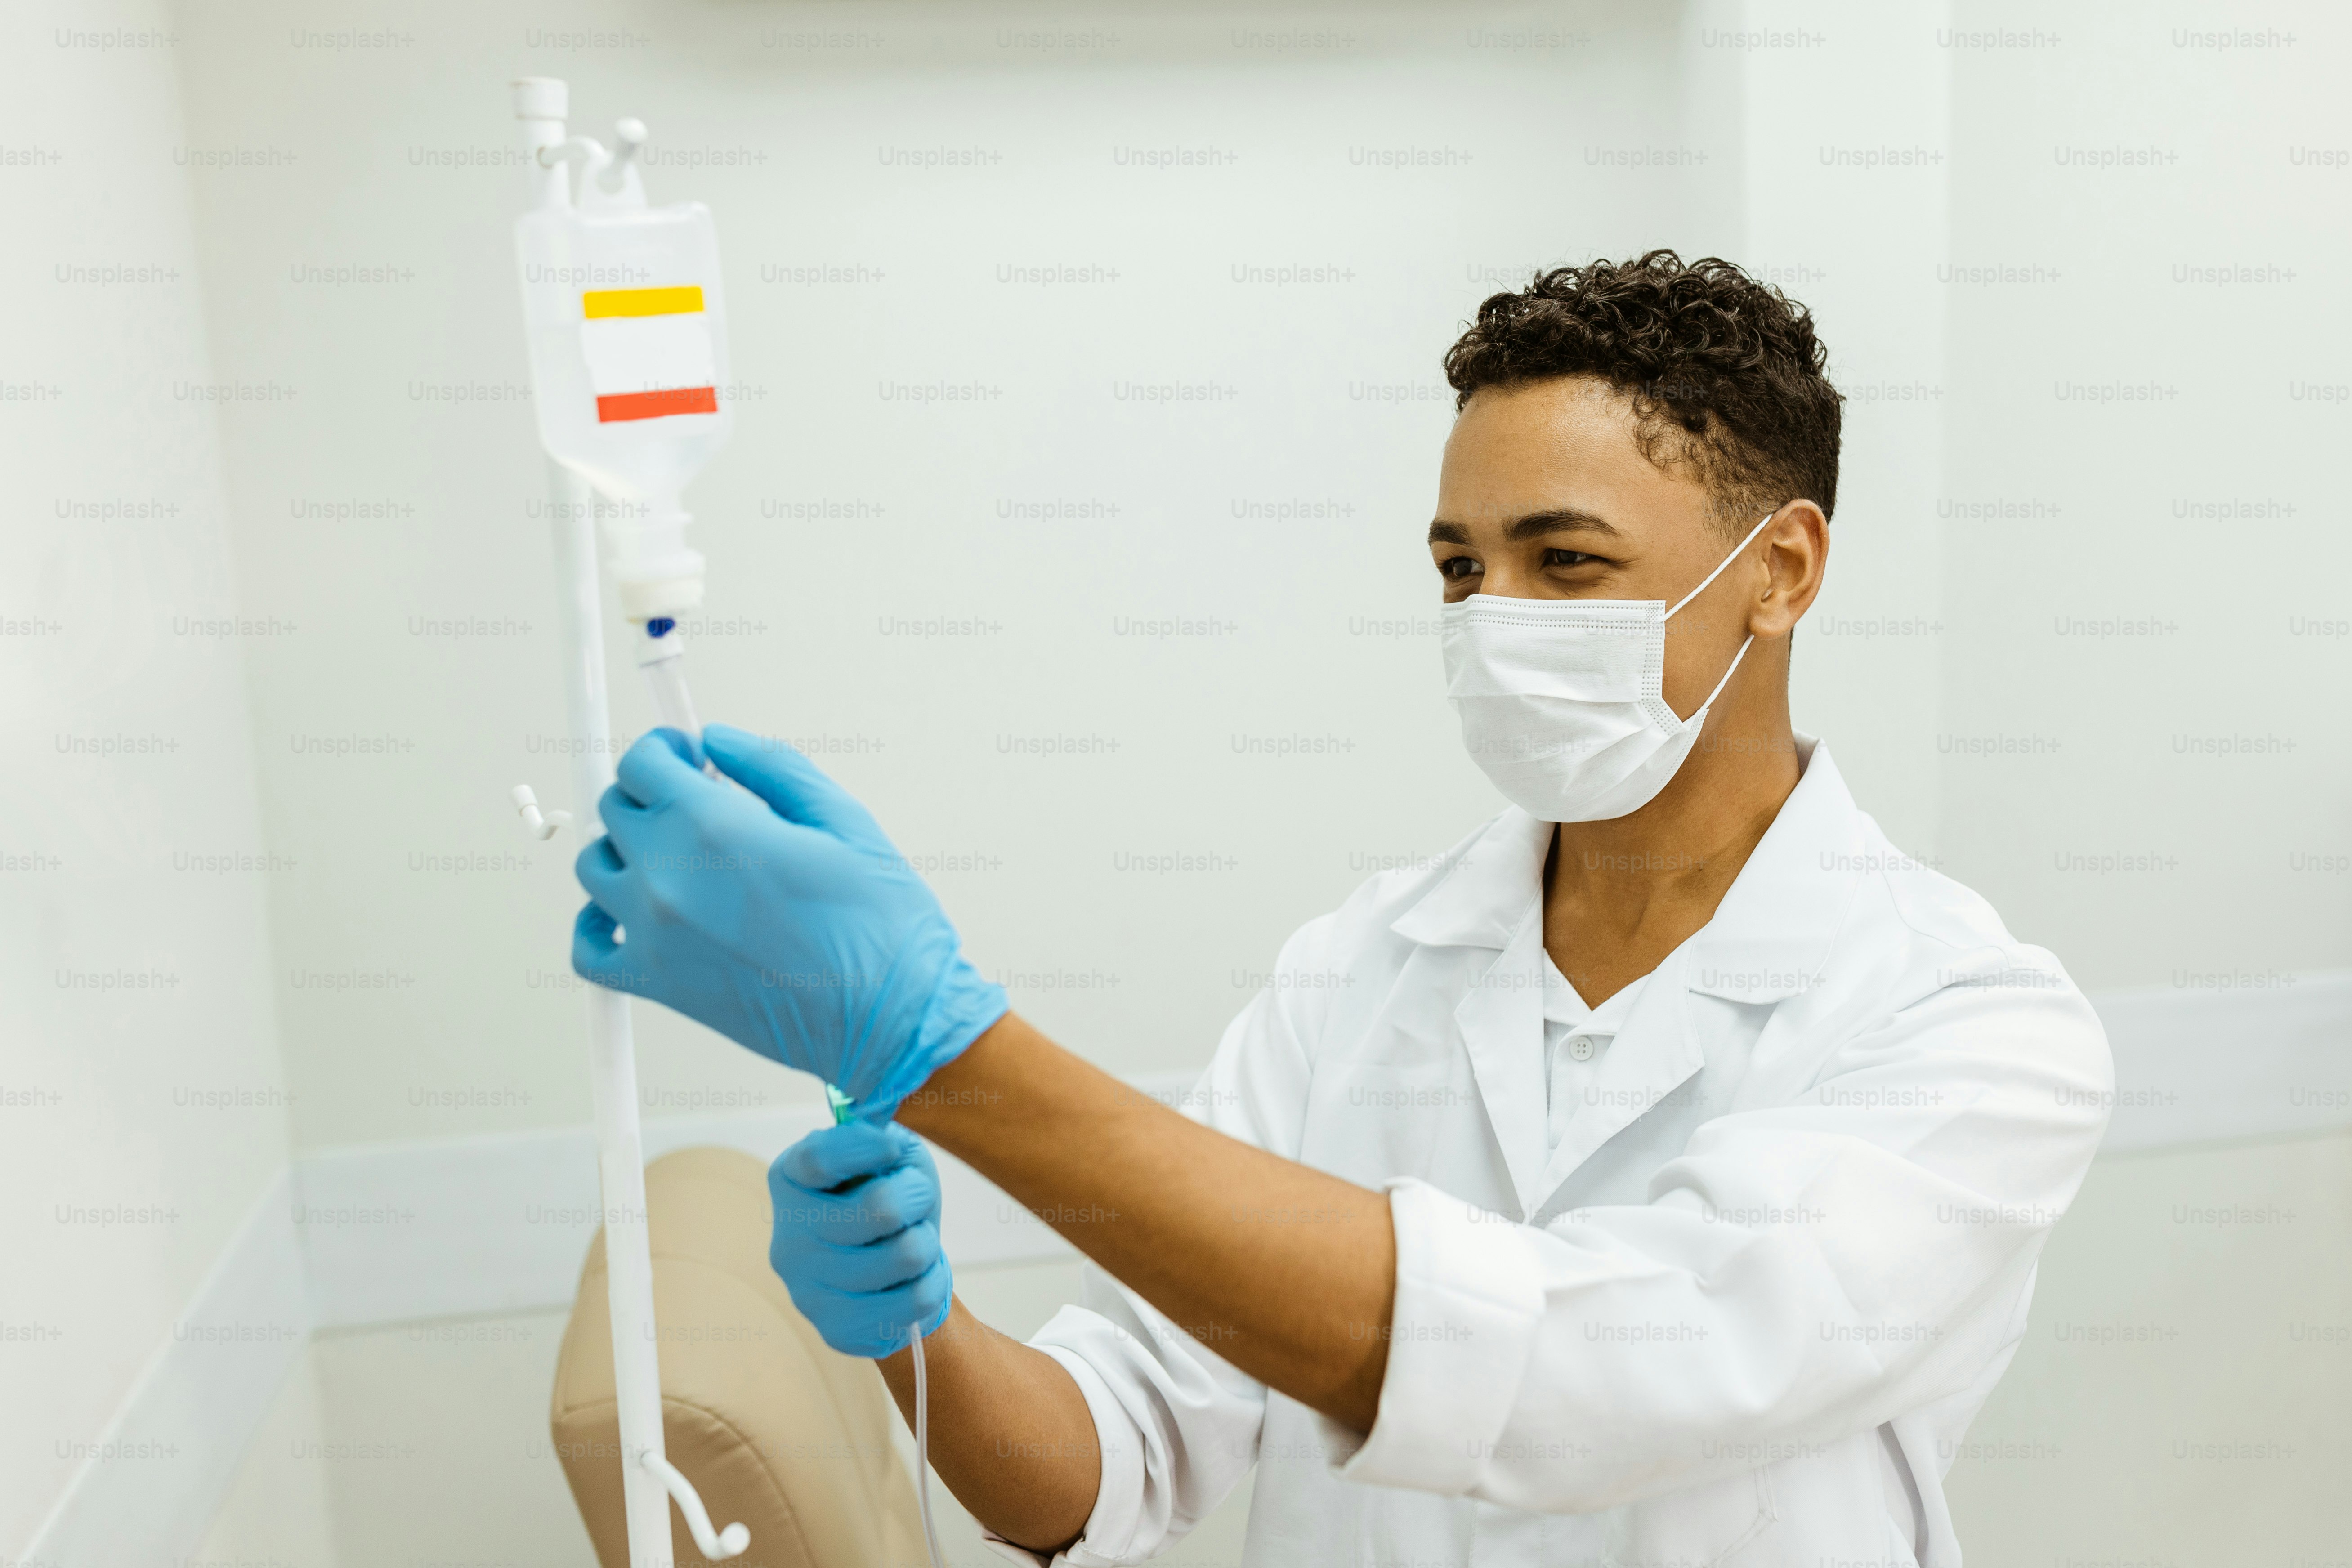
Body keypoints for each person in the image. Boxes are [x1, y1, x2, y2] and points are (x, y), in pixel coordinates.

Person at [572, 251, 2113, 1568]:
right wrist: (927, 1344)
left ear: (1780, 571)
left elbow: (1583, 1369)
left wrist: (939, 1049)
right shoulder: (1364, 969)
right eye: (1460, 568)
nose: (1493, 621)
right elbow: (1109, 1454)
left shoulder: (1968, 1026)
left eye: (1565, 564)